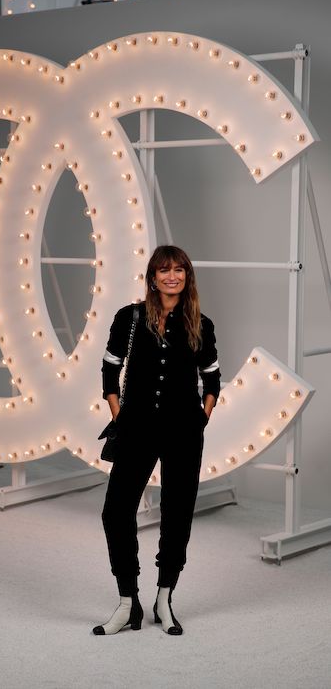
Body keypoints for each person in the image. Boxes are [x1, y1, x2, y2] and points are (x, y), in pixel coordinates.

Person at [93, 245, 221, 636]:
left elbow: (212, 379)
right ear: (152, 277)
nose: (172, 276)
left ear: (187, 276)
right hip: (137, 429)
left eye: (179, 269)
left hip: (184, 432)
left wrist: (201, 418)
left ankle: (164, 599)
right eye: (164, 269)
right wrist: (120, 415)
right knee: (116, 512)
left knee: (177, 514)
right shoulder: (129, 318)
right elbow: (110, 370)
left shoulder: (201, 324)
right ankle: (127, 602)